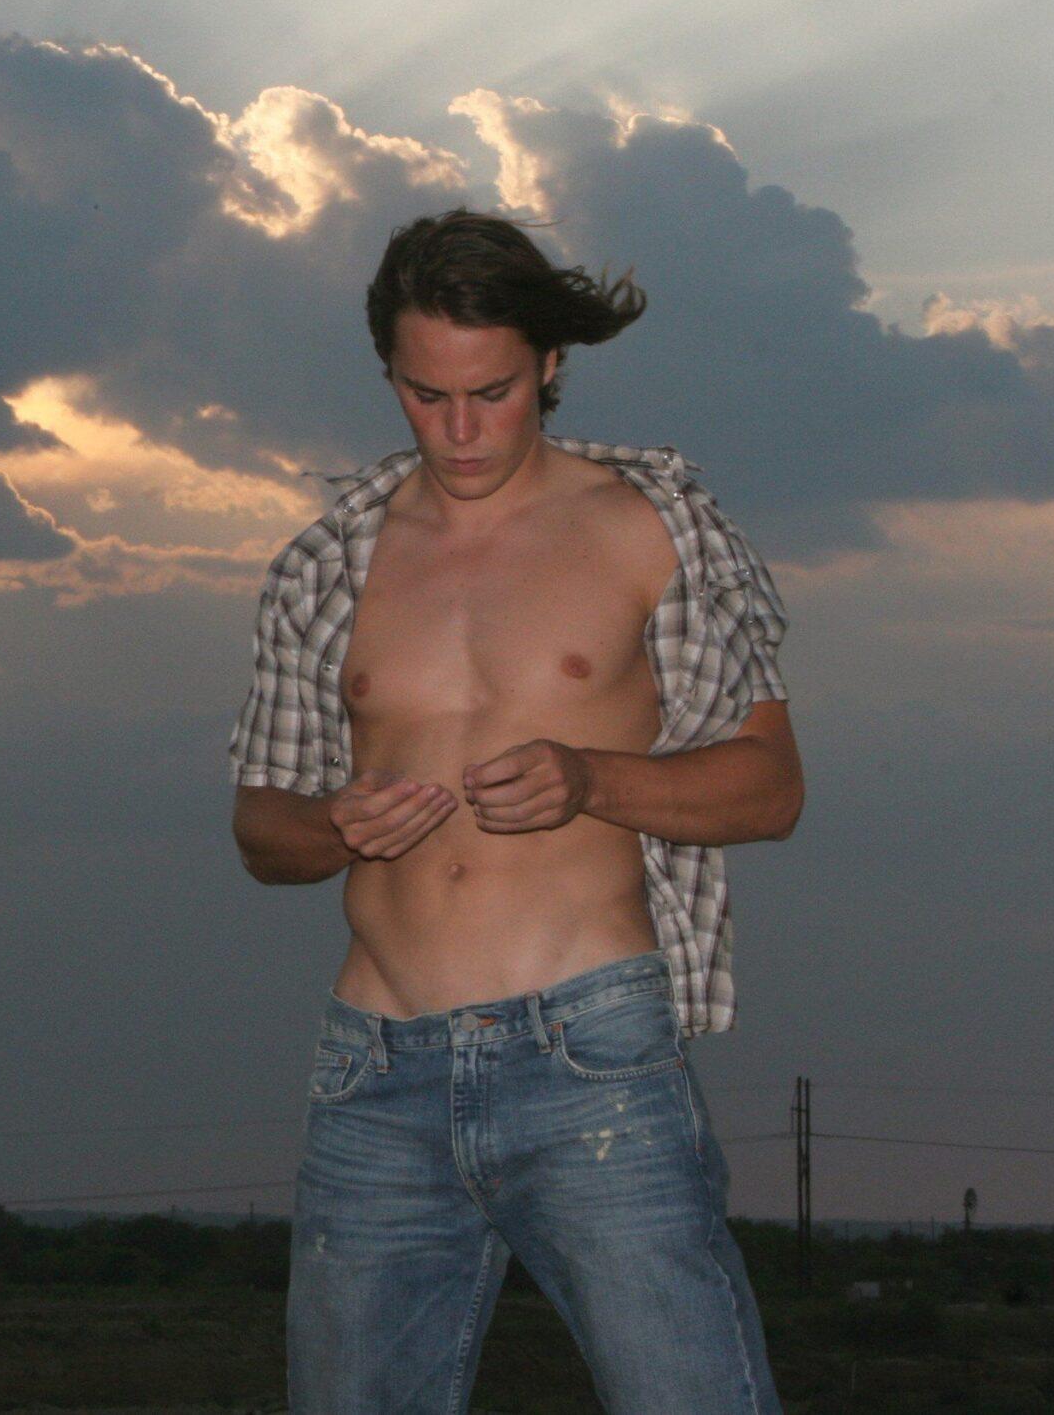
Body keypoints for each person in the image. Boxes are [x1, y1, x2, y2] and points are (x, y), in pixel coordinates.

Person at [226, 208, 804, 1412]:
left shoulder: (652, 528)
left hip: (590, 1057)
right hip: (373, 1068)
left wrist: (590, 780)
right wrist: (333, 825)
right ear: (389, 374)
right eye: (423, 394)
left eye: (488, 393)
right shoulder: (325, 564)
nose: (458, 429)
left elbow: (769, 789)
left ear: (548, 363)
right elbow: (259, 832)